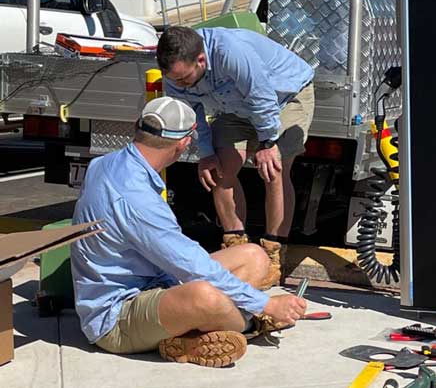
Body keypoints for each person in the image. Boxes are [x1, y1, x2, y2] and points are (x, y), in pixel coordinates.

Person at [71, 97, 307, 367]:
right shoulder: (135, 198)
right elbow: (192, 266)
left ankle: (193, 334)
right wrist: (265, 306)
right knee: (205, 296)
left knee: (255, 256)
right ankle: (249, 324)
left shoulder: (105, 163)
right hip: (117, 318)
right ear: (184, 143)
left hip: (156, 284)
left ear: (138, 126)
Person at [156, 26, 315, 287]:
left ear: (201, 60)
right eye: (176, 81)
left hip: (284, 96)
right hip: (234, 105)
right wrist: (205, 154)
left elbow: (261, 95)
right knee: (219, 169)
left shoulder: (231, 52)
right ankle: (236, 246)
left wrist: (267, 142)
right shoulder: (176, 75)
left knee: (273, 169)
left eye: (185, 79)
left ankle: (274, 254)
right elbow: (190, 112)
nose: (181, 85)